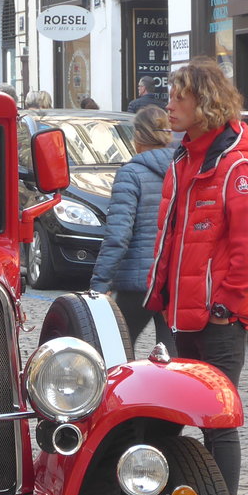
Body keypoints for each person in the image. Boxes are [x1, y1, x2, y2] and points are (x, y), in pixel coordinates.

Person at [145, 58, 248, 495]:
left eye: (180, 97)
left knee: (218, 420)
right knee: (171, 414)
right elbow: (171, 239)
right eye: (170, 96)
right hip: (180, 314)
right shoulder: (184, 158)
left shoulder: (236, 167)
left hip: (217, 319)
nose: (169, 105)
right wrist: (161, 298)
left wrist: (226, 308)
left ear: (206, 103)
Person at [89, 105, 175, 355]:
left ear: (137, 136)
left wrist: (99, 283)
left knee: (115, 348)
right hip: (173, 278)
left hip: (138, 282)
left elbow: (118, 235)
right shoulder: (182, 170)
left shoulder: (130, 174)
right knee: (172, 355)